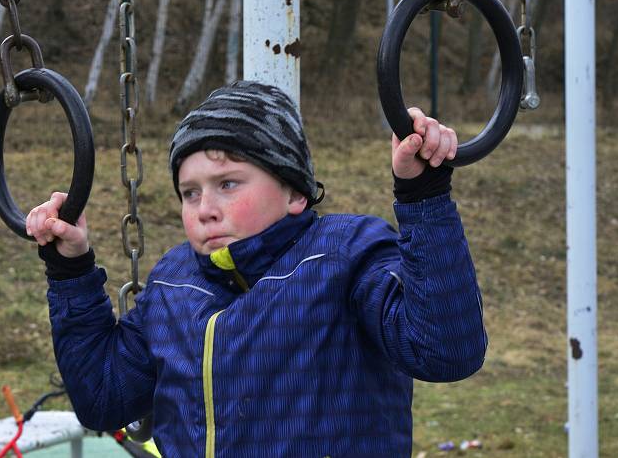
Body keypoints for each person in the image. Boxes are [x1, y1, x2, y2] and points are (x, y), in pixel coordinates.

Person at [27, 81, 487, 457]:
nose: (205, 208)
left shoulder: (345, 256)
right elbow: (103, 399)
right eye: (190, 192)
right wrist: (70, 271)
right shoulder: (174, 283)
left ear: (294, 193)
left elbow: (446, 351)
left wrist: (423, 196)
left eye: (228, 184)